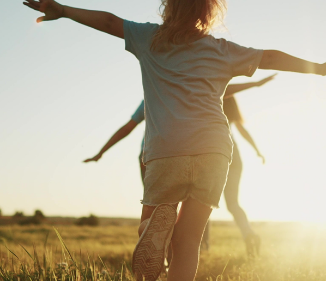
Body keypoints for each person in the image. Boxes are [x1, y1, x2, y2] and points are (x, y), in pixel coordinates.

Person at [23, 0, 326, 281]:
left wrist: (63, 10)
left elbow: (108, 21)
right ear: (209, 9)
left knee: (148, 228)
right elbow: (269, 57)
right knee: (190, 240)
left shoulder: (149, 39)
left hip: (167, 151)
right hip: (214, 151)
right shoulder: (221, 50)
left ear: (171, 3)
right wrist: (318, 67)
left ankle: (155, 239)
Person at [83, 76, 275, 252]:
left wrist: (101, 152)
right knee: (205, 204)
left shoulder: (157, 97)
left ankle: (163, 250)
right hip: (217, 155)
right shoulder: (202, 98)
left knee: (160, 209)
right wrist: (255, 84)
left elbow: (128, 127)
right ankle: (210, 243)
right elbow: (226, 94)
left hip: (157, 157)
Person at [219, 95, 264, 256]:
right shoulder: (230, 108)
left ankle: (199, 245)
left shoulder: (210, 100)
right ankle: (249, 233)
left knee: (201, 201)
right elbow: (243, 131)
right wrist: (257, 151)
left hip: (218, 155)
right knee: (233, 204)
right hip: (234, 157)